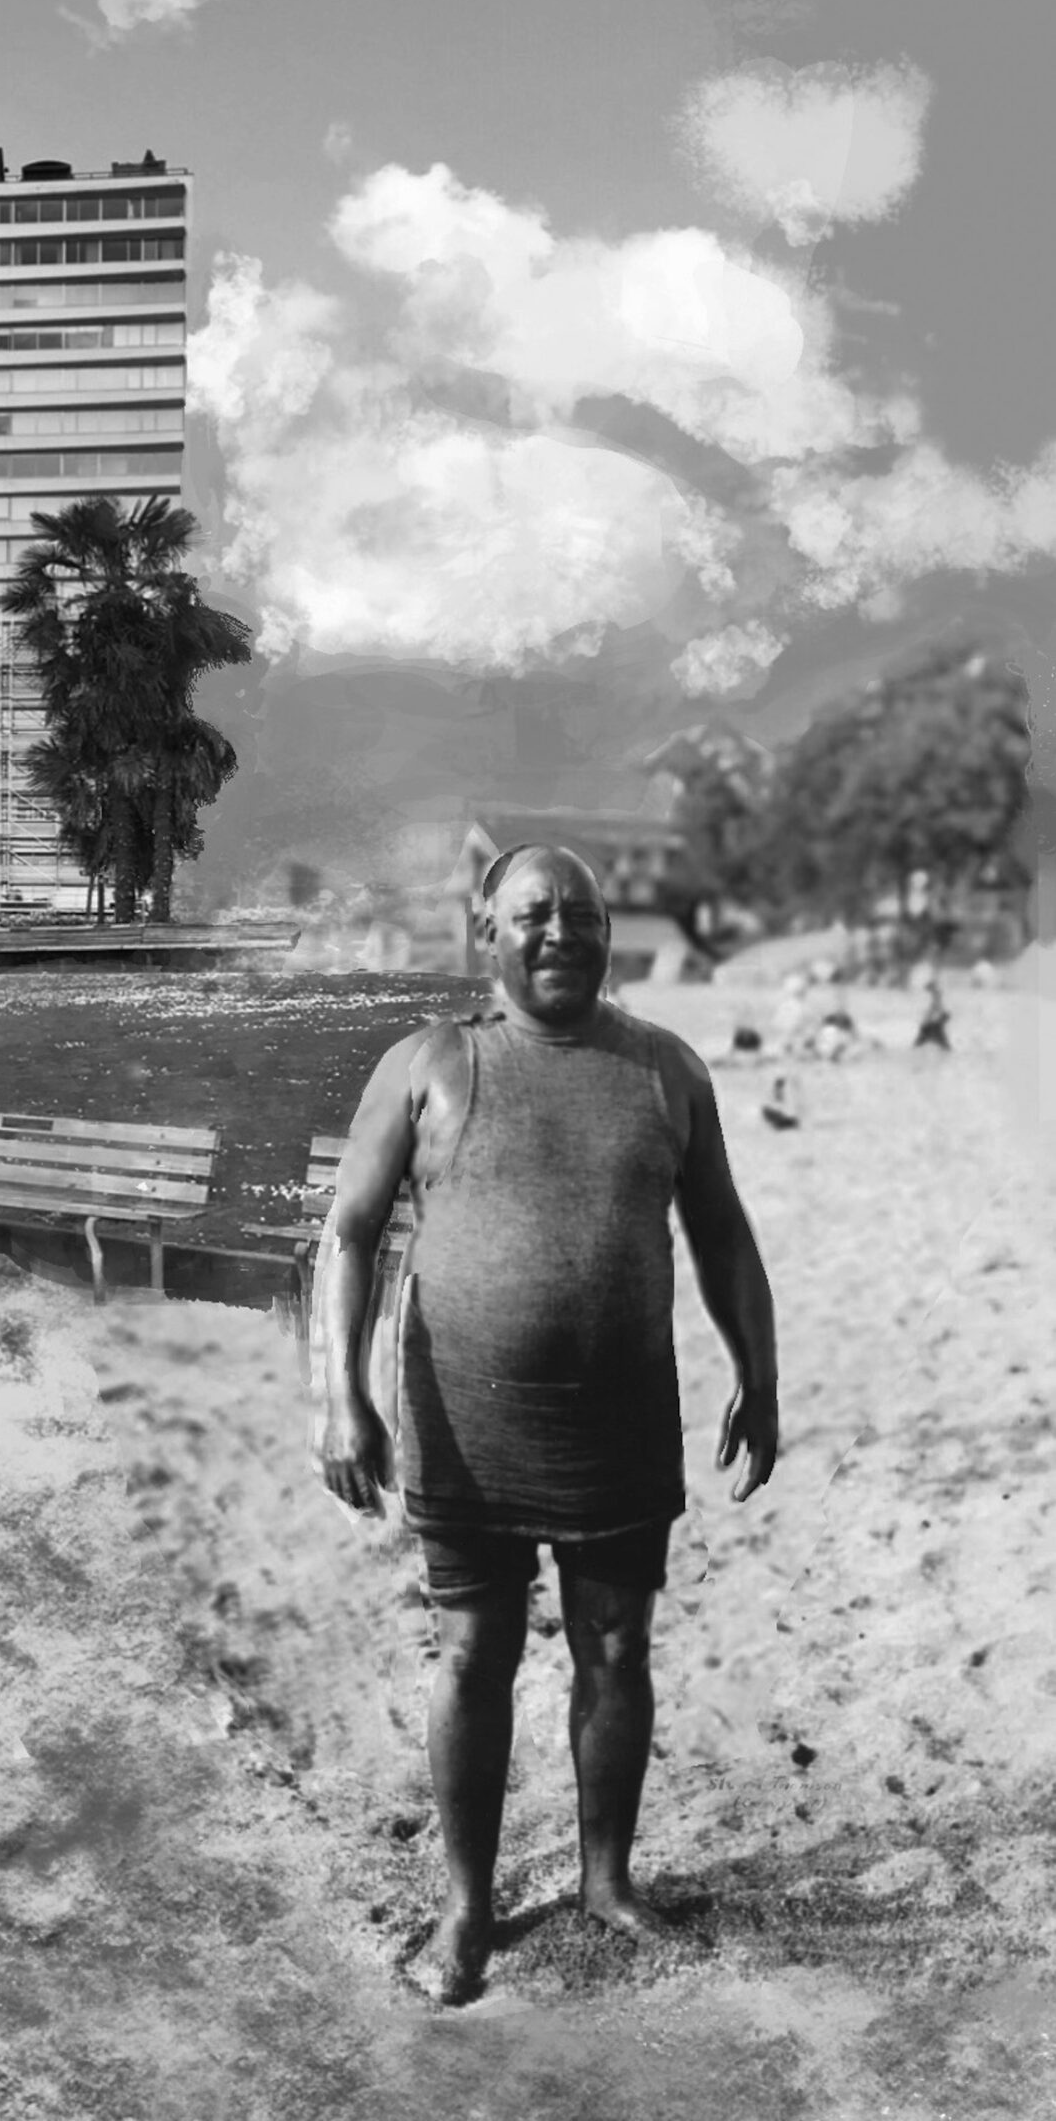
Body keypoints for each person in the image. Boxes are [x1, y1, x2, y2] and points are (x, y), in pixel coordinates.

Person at [310, 844, 778, 2007]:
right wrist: (340, 1392)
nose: (558, 930)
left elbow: (720, 1232)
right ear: (486, 932)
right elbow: (350, 1232)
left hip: (620, 1423)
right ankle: (466, 1907)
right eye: (532, 914)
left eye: (579, 912)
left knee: (616, 1647)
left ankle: (604, 1881)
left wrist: (755, 1373)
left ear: (607, 930)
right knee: (475, 1653)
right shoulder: (430, 1062)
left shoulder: (664, 1069)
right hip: (463, 1423)